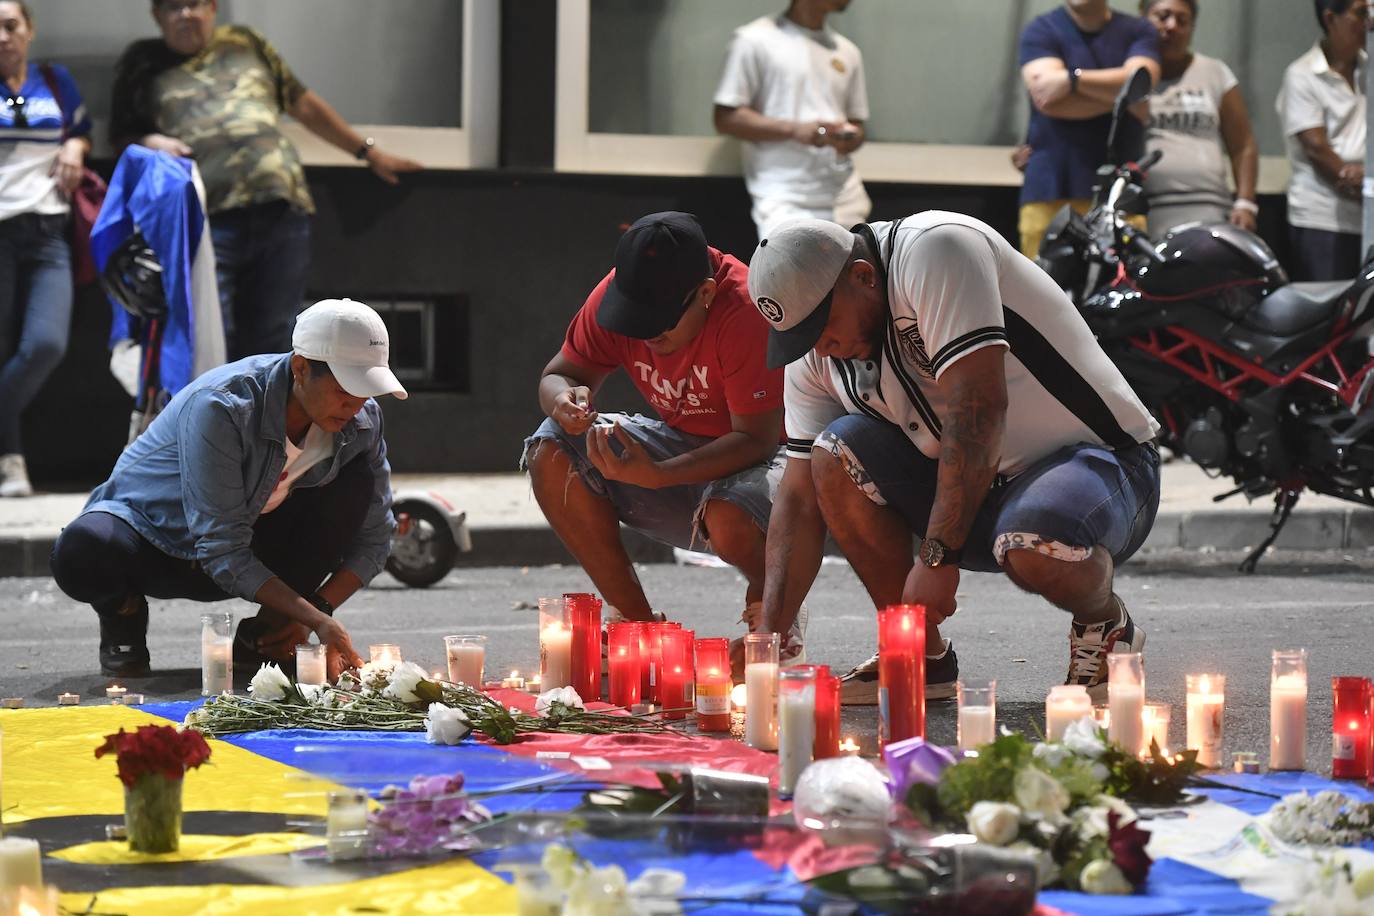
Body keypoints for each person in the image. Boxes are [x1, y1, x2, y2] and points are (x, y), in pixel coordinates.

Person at [746, 215, 1161, 704]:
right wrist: (767, 642)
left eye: (822, 325)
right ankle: (916, 652)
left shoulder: (936, 250)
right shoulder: (816, 355)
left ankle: (1104, 624)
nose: (819, 346)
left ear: (863, 276)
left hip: (1100, 472)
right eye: (802, 335)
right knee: (833, 451)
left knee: (1033, 537)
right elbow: (797, 498)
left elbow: (977, 409)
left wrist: (938, 555)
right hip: (977, 492)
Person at [50, 299, 405, 681]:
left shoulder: (362, 421)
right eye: (344, 389)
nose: (354, 405)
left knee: (354, 489)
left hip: (246, 543)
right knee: (82, 549)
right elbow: (220, 549)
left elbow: (374, 537)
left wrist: (315, 612)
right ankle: (124, 614)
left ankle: (268, 634)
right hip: (159, 544)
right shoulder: (224, 406)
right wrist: (318, 619)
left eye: (366, 390)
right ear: (301, 369)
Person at [523, 212, 800, 652]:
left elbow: (758, 440)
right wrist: (563, 398)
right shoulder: (620, 289)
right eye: (634, 323)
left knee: (729, 517)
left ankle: (773, 619)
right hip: (678, 449)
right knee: (551, 447)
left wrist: (659, 474)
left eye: (660, 325)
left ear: (705, 293)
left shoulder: (744, 308)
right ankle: (638, 631)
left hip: (771, 462)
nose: (647, 337)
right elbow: (558, 374)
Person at [107, 0, 420, 361]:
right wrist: (152, 143)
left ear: (211, 8)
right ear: (157, 16)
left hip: (280, 210)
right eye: (174, 7)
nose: (185, 14)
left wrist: (368, 153)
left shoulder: (244, 41)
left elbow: (302, 104)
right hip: (204, 222)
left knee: (275, 339)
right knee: (209, 342)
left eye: (194, 3)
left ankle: (265, 418)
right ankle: (218, 419)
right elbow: (122, 137)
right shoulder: (142, 62)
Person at [0, 0, 91, 497]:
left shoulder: (54, 81)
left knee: (45, 344)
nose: (2, 36)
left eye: (11, 25)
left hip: (48, 234)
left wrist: (76, 146)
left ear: (29, 30)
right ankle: (11, 460)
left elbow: (78, 130)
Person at [713, 0, 871, 240]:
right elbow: (726, 117)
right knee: (794, 277)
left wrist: (851, 138)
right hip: (785, 199)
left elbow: (857, 123)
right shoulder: (753, 40)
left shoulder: (847, 51)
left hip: (846, 200)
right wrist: (797, 130)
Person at [1019, 0, 1161, 258]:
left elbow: (1143, 80)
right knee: (1042, 292)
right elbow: (1047, 99)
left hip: (1121, 195)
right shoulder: (1041, 29)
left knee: (1121, 292)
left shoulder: (1139, 30)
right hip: (1050, 190)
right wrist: (1123, 101)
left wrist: (1072, 80)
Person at [1139, 0, 1259, 236]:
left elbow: (1243, 145)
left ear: (1192, 28)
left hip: (1211, 211)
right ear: (1142, 20)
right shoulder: (1129, 75)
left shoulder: (1215, 72)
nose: (1172, 26)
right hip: (1147, 214)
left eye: (1182, 20)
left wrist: (1246, 204)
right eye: (1162, 17)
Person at [1278, 0, 1371, 282]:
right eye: (1361, 13)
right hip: (1323, 219)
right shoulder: (1303, 74)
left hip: (1368, 215)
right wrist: (1357, 181)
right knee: (1330, 312)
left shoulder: (1370, 67)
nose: (1369, 21)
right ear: (1331, 19)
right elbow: (1318, 150)